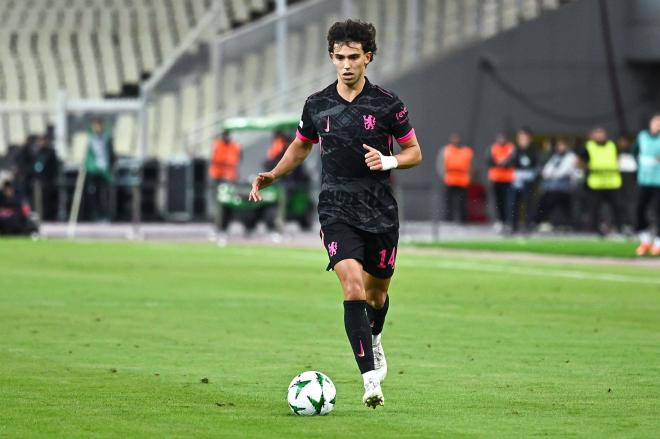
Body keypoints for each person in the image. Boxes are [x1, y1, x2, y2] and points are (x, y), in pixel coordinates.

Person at [249, 19, 422, 409]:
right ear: (331, 58)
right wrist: (274, 174)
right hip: (335, 208)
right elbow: (301, 146)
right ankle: (368, 381)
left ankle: (375, 339)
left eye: (354, 57)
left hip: (379, 211)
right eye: (339, 57)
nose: (346, 64)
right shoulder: (316, 104)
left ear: (368, 58)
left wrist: (389, 159)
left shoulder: (388, 105)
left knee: (377, 295)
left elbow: (415, 152)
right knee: (352, 286)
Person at [577, 127, 623, 235]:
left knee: (617, 207)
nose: (600, 136)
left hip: (612, 182)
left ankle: (619, 228)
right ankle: (594, 230)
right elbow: (579, 162)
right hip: (596, 183)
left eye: (601, 133)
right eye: (597, 134)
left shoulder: (612, 145)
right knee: (594, 209)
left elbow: (618, 158)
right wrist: (588, 168)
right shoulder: (588, 147)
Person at [534, 138, 578, 229]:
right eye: (559, 146)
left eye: (562, 146)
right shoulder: (555, 156)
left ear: (566, 146)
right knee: (545, 203)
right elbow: (546, 170)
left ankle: (569, 224)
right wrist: (550, 174)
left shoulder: (571, 157)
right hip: (552, 187)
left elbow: (563, 171)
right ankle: (542, 222)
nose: (560, 148)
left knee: (565, 207)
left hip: (564, 187)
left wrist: (551, 174)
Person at [633, 113, 660, 256]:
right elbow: (634, 152)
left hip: (659, 181)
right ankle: (645, 241)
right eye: (656, 122)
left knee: (658, 211)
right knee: (639, 210)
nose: (657, 125)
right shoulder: (642, 136)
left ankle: (658, 243)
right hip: (644, 180)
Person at [507, 127, 538, 233]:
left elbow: (536, 165)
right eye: (520, 137)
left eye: (524, 137)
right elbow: (509, 161)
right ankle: (513, 226)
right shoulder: (516, 150)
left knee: (528, 203)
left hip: (528, 179)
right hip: (517, 179)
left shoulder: (533, 150)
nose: (522, 139)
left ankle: (528, 225)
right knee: (513, 203)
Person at [84, 118, 115, 221]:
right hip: (94, 171)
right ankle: (95, 214)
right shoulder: (90, 139)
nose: (98, 127)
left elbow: (111, 154)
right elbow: (88, 156)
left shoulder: (107, 138)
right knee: (94, 193)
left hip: (105, 170)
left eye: (100, 125)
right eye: (96, 125)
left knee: (105, 193)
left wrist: (110, 167)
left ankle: (105, 214)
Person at [439, 133, 473, 223]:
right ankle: (448, 221)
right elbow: (440, 164)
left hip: (463, 180)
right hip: (450, 180)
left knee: (462, 203)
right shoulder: (446, 150)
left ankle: (463, 221)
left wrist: (470, 177)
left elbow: (471, 165)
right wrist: (443, 176)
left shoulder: (467, 151)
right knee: (448, 202)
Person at [487, 133, 515, 231]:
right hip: (496, 178)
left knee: (509, 202)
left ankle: (508, 222)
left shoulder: (510, 148)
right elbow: (489, 160)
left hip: (508, 179)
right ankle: (500, 221)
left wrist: (505, 163)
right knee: (498, 202)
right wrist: (498, 163)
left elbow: (513, 159)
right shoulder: (493, 148)